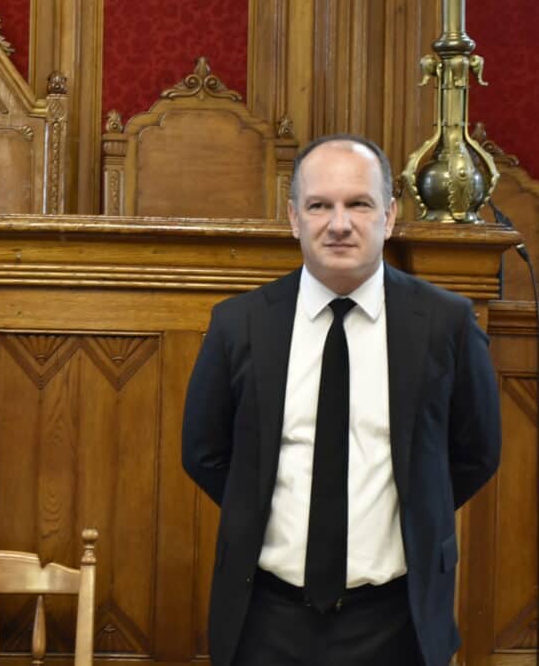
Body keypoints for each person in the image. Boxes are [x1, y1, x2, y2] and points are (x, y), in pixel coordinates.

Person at [181, 134, 500, 666]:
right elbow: (204, 453)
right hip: (266, 619)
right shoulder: (239, 324)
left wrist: (415, 508)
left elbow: (477, 453)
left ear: (389, 216)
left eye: (358, 204)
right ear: (293, 218)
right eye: (319, 206)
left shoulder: (445, 323)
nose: (339, 223)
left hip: (397, 620)